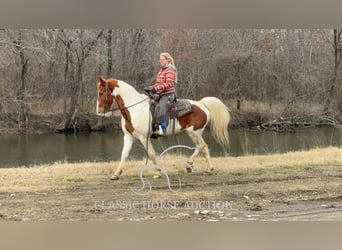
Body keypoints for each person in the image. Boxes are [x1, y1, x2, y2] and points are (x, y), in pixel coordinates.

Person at [144, 52, 177, 138]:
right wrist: (150, 87)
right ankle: (154, 127)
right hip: (161, 94)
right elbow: (159, 83)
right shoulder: (161, 70)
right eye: (160, 59)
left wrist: (156, 89)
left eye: (162, 59)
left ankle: (163, 129)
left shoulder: (170, 70)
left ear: (167, 60)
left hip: (169, 94)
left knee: (161, 107)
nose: (160, 61)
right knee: (151, 106)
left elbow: (169, 84)